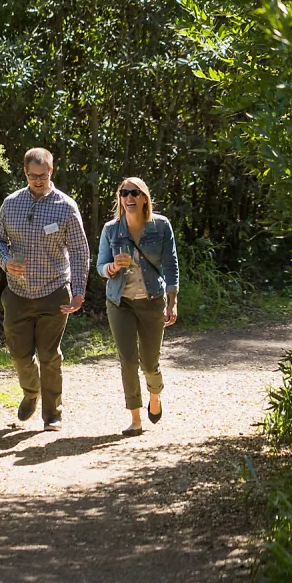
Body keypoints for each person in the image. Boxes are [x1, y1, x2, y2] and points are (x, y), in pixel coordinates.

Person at [0, 148, 89, 431]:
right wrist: (7, 262)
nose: (38, 181)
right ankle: (31, 391)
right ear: (25, 173)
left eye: (42, 175)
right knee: (20, 355)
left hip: (54, 290)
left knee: (49, 354)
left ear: (51, 172)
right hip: (18, 293)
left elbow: (80, 251)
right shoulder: (11, 204)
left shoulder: (65, 206)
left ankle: (52, 414)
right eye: (33, 176)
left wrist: (79, 290)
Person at [95, 177, 180, 436]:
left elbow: (171, 265)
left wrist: (173, 301)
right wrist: (112, 267)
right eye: (124, 193)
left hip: (153, 301)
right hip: (119, 302)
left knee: (149, 362)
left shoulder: (161, 226)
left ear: (144, 198)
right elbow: (100, 266)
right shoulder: (111, 229)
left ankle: (155, 395)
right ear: (120, 198)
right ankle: (135, 418)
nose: (129, 197)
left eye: (134, 193)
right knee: (128, 360)